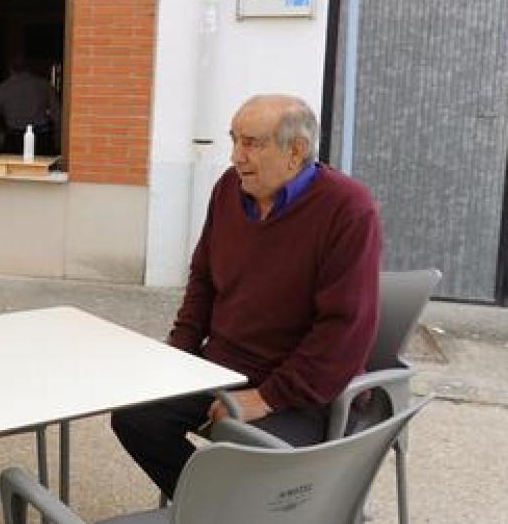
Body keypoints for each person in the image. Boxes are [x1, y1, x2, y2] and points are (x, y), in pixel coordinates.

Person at [110, 94, 381, 502]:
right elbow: (203, 278)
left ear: (296, 151)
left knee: (250, 459)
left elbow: (343, 331)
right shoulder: (228, 189)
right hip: (222, 369)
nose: (236, 156)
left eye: (252, 143)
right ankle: (218, 509)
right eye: (234, 140)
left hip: (302, 391)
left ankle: (231, 508)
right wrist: (178, 353)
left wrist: (267, 397)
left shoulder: (347, 209)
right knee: (135, 417)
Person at [0, 56, 60, 155]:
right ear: (28, 68)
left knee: (15, 169)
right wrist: (61, 135)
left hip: (15, 139)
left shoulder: (2, 89)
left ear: (11, 70)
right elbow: (56, 112)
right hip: (41, 138)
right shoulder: (44, 85)